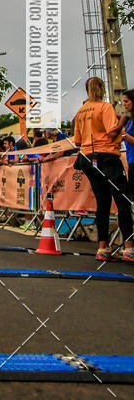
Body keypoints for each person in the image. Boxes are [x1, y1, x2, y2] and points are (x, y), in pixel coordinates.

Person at [73, 77, 133, 262]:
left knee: (102, 203)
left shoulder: (81, 110)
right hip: (106, 155)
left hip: (86, 157)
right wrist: (122, 120)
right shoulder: (105, 107)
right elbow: (111, 131)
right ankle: (129, 248)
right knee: (123, 200)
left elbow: (77, 140)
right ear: (102, 89)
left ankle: (103, 248)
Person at [111, 89, 134, 204]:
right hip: (131, 161)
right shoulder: (129, 120)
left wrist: (125, 135)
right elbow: (119, 116)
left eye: (126, 101)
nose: (124, 104)